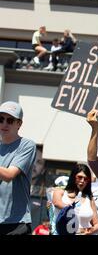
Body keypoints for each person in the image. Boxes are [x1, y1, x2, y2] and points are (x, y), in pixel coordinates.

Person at [0, 101, 37, 235]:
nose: (4, 123)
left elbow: (9, 175)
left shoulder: (27, 145)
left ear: (19, 124)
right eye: (1, 119)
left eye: (10, 120)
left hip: (16, 224)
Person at [51, 164, 98, 235]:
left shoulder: (89, 198)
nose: (82, 181)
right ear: (73, 177)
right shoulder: (60, 192)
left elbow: (97, 224)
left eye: (86, 179)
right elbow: (56, 203)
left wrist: (91, 230)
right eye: (80, 177)